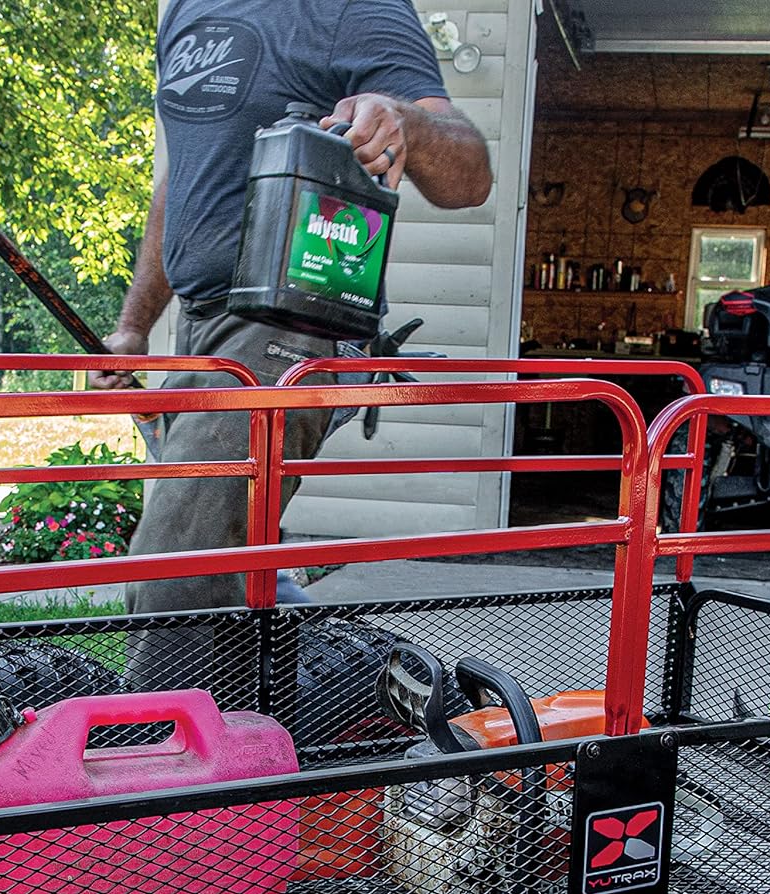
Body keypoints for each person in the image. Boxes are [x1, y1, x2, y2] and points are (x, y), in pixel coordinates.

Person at [96, 0, 492, 646]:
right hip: (201, 326)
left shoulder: (350, 9)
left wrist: (407, 126)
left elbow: (469, 174)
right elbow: (185, 176)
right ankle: (329, 690)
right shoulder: (187, 12)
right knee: (229, 551)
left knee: (177, 567)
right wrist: (135, 326)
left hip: (290, 322)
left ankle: (167, 741)